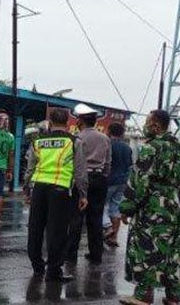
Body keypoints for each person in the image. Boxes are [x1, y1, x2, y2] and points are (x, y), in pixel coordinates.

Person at [119, 109, 180, 305]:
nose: (146, 126)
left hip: (152, 207)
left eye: (148, 122)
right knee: (174, 252)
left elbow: (140, 182)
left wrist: (127, 208)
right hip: (174, 205)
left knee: (146, 249)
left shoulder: (151, 148)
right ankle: (174, 296)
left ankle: (143, 295)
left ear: (156, 126)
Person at [24, 108, 87, 283]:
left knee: (35, 227)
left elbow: (30, 167)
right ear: (67, 123)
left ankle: (37, 266)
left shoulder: (37, 141)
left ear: (50, 122)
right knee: (57, 231)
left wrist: (26, 188)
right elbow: (80, 171)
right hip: (60, 189)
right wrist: (83, 194)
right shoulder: (74, 141)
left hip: (39, 187)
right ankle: (53, 271)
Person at [65, 104, 111, 266]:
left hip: (81, 179)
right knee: (96, 218)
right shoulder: (105, 138)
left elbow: (72, 163)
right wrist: (102, 176)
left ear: (81, 121)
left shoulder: (76, 139)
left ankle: (71, 255)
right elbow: (108, 164)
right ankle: (95, 254)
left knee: (76, 218)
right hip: (99, 179)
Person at [102, 122, 132, 248]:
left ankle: (107, 227)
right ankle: (114, 238)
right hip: (122, 182)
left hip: (109, 181)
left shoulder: (108, 145)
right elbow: (130, 164)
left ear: (109, 131)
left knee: (102, 206)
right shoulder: (127, 147)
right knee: (115, 208)